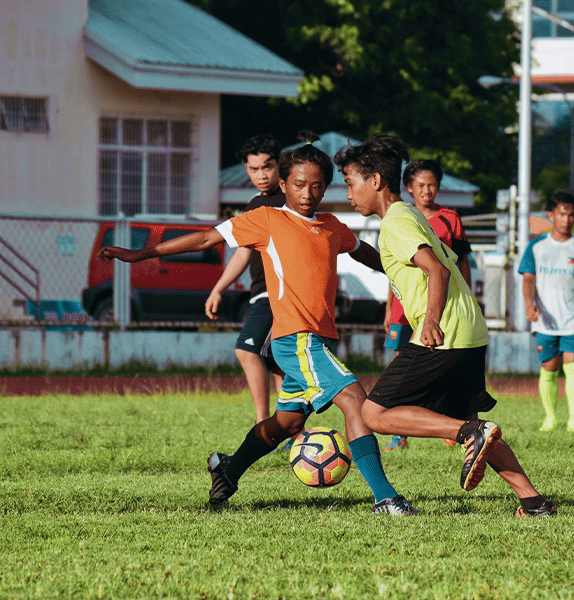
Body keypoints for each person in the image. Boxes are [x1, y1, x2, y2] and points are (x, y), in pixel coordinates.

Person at [99, 132, 418, 516]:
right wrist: (142, 253)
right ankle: (385, 498)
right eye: (299, 185)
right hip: (296, 340)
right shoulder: (267, 219)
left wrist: (415, 266)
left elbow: (370, 255)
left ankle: (227, 469)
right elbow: (205, 239)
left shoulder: (332, 226)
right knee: (355, 401)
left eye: (317, 186)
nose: (307, 193)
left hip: (317, 342)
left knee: (284, 424)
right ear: (283, 184)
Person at [336, 134, 556, 517]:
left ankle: (467, 434)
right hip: (470, 329)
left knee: (373, 413)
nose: (349, 193)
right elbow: (432, 261)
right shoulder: (411, 215)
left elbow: (435, 269)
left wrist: (431, 322)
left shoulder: (395, 223)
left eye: (350, 183)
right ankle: (532, 502)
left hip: (444, 332)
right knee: (475, 425)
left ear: (375, 181)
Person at [382, 159, 472, 451]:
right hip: (403, 307)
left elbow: (460, 262)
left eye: (432, 184)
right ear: (409, 187)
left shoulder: (449, 218)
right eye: (420, 185)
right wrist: (388, 309)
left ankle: (449, 421)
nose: (427, 190)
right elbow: (394, 270)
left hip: (436, 306)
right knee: (400, 366)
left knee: (440, 364)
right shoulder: (401, 218)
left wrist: (466, 297)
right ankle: (400, 433)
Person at [205, 135, 286, 424]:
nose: (261, 175)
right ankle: (286, 429)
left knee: (246, 349)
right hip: (259, 294)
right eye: (254, 169)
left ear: (279, 165)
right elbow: (242, 252)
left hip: (279, 294)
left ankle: (263, 425)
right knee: (277, 364)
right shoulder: (253, 204)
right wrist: (218, 289)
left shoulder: (292, 200)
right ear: (246, 169)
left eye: (267, 167)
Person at [518, 190, 574, 433]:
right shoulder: (536, 247)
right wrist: (528, 303)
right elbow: (528, 280)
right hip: (545, 320)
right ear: (551, 215)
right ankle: (550, 419)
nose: (567, 219)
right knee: (549, 368)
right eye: (562, 214)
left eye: (571, 215)